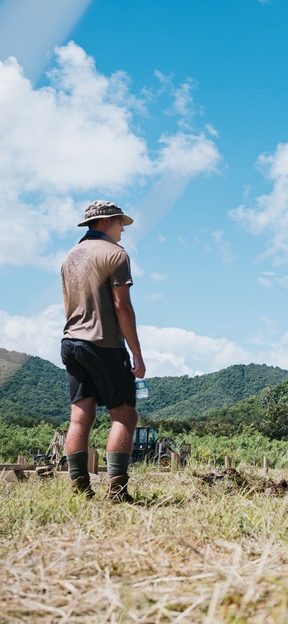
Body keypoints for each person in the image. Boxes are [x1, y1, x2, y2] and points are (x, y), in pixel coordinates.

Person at [61, 200, 145, 501]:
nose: (123, 228)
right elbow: (122, 306)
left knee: (79, 417)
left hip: (71, 343)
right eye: (120, 222)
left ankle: (79, 488)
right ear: (106, 221)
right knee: (124, 414)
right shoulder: (115, 254)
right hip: (103, 342)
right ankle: (117, 491)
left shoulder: (70, 256)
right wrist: (136, 352)